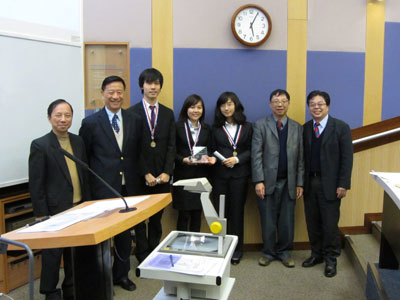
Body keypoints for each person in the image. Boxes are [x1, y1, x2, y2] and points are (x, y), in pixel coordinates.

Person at [79, 75, 143, 291]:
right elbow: (84, 159)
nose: (115, 96)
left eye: (119, 92)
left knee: (125, 234)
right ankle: (101, 278)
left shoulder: (134, 119)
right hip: (102, 188)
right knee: (103, 236)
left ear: (124, 94)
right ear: (103, 94)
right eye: (111, 92)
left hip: (128, 187)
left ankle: (121, 274)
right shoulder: (90, 123)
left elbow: (136, 153)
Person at [29, 99, 90, 300]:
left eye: (67, 115)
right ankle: (50, 291)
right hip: (55, 210)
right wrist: (40, 214)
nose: (63, 119)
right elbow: (36, 184)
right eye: (58, 115)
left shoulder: (78, 141)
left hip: (78, 207)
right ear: (49, 118)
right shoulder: (40, 145)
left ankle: (71, 287)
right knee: (52, 255)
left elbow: (83, 175)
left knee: (74, 253)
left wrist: (88, 204)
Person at [302, 90, 353, 278]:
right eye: (312, 104)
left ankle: (331, 259)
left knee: (330, 224)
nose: (316, 107)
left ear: (328, 106)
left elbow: (347, 159)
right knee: (312, 222)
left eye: (320, 104)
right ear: (309, 107)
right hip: (310, 182)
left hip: (331, 184)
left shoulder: (341, 127)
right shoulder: (306, 128)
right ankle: (316, 254)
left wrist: (343, 184)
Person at [252, 89, 304, 268]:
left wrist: (299, 182)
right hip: (266, 182)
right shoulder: (260, 125)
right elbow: (256, 155)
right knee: (267, 219)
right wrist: (258, 180)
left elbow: (301, 159)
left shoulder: (297, 127)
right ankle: (267, 252)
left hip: (289, 182)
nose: (279, 104)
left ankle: (285, 252)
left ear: (288, 103)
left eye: (283, 101)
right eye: (276, 101)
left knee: (287, 220)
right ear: (270, 104)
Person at [129, 68, 176, 262]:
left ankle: (154, 251)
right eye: (149, 83)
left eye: (156, 83)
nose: (153, 87)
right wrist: (145, 173)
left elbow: (172, 145)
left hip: (162, 176)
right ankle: (141, 253)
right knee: (140, 218)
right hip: (141, 176)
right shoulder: (131, 113)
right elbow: (132, 148)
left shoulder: (167, 113)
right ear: (142, 86)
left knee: (157, 219)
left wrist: (167, 172)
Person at [211, 91, 252, 265]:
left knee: (237, 212)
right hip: (220, 176)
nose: (226, 108)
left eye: (229, 104)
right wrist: (221, 160)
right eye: (223, 105)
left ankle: (236, 249)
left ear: (236, 105)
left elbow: (252, 149)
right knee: (221, 214)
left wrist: (237, 159)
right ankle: (222, 247)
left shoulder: (248, 127)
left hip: (240, 176)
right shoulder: (214, 129)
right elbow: (211, 149)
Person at [173, 94, 216, 232]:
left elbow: (211, 149)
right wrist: (183, 159)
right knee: (184, 214)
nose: (196, 110)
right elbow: (171, 151)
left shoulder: (207, 128)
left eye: (199, 107)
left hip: (201, 177)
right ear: (186, 109)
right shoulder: (177, 127)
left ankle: (195, 248)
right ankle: (181, 247)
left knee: (197, 213)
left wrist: (211, 159)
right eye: (192, 107)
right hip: (183, 176)